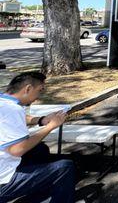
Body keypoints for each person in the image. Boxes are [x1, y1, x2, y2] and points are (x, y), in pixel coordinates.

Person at [0, 72, 75, 203]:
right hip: (2, 182)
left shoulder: (4, 101)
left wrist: (41, 120)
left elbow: (18, 118)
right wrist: (50, 126)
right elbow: (17, 150)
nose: (38, 97)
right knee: (65, 167)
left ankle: (40, 192)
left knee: (39, 149)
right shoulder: (12, 109)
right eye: (39, 91)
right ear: (28, 89)